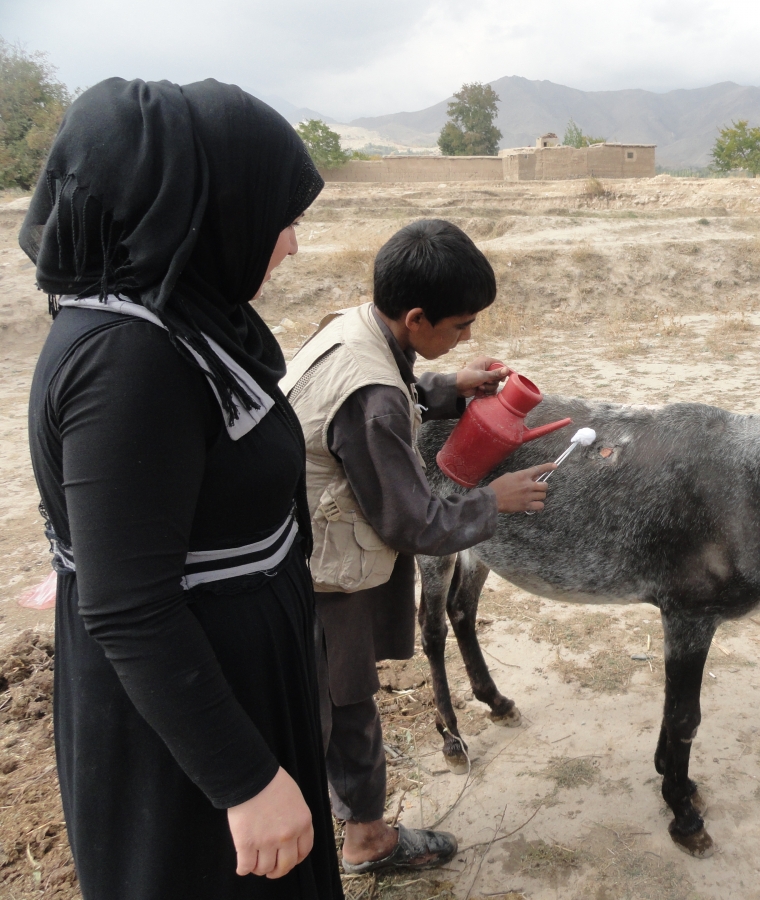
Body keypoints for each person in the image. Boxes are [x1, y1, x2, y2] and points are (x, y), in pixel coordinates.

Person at [23, 79, 343, 898]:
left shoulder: (175, 314)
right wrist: (243, 778)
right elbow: (130, 607)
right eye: (283, 219)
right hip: (188, 719)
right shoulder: (127, 361)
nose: (292, 245)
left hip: (227, 675)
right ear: (205, 209)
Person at [281, 219, 553, 873]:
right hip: (321, 574)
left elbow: (386, 391)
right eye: (460, 326)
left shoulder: (351, 329)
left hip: (294, 549)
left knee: (332, 701)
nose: (468, 336)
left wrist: (448, 386)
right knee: (339, 705)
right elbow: (414, 523)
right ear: (416, 316)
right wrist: (497, 500)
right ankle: (348, 841)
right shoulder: (374, 398)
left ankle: (343, 826)